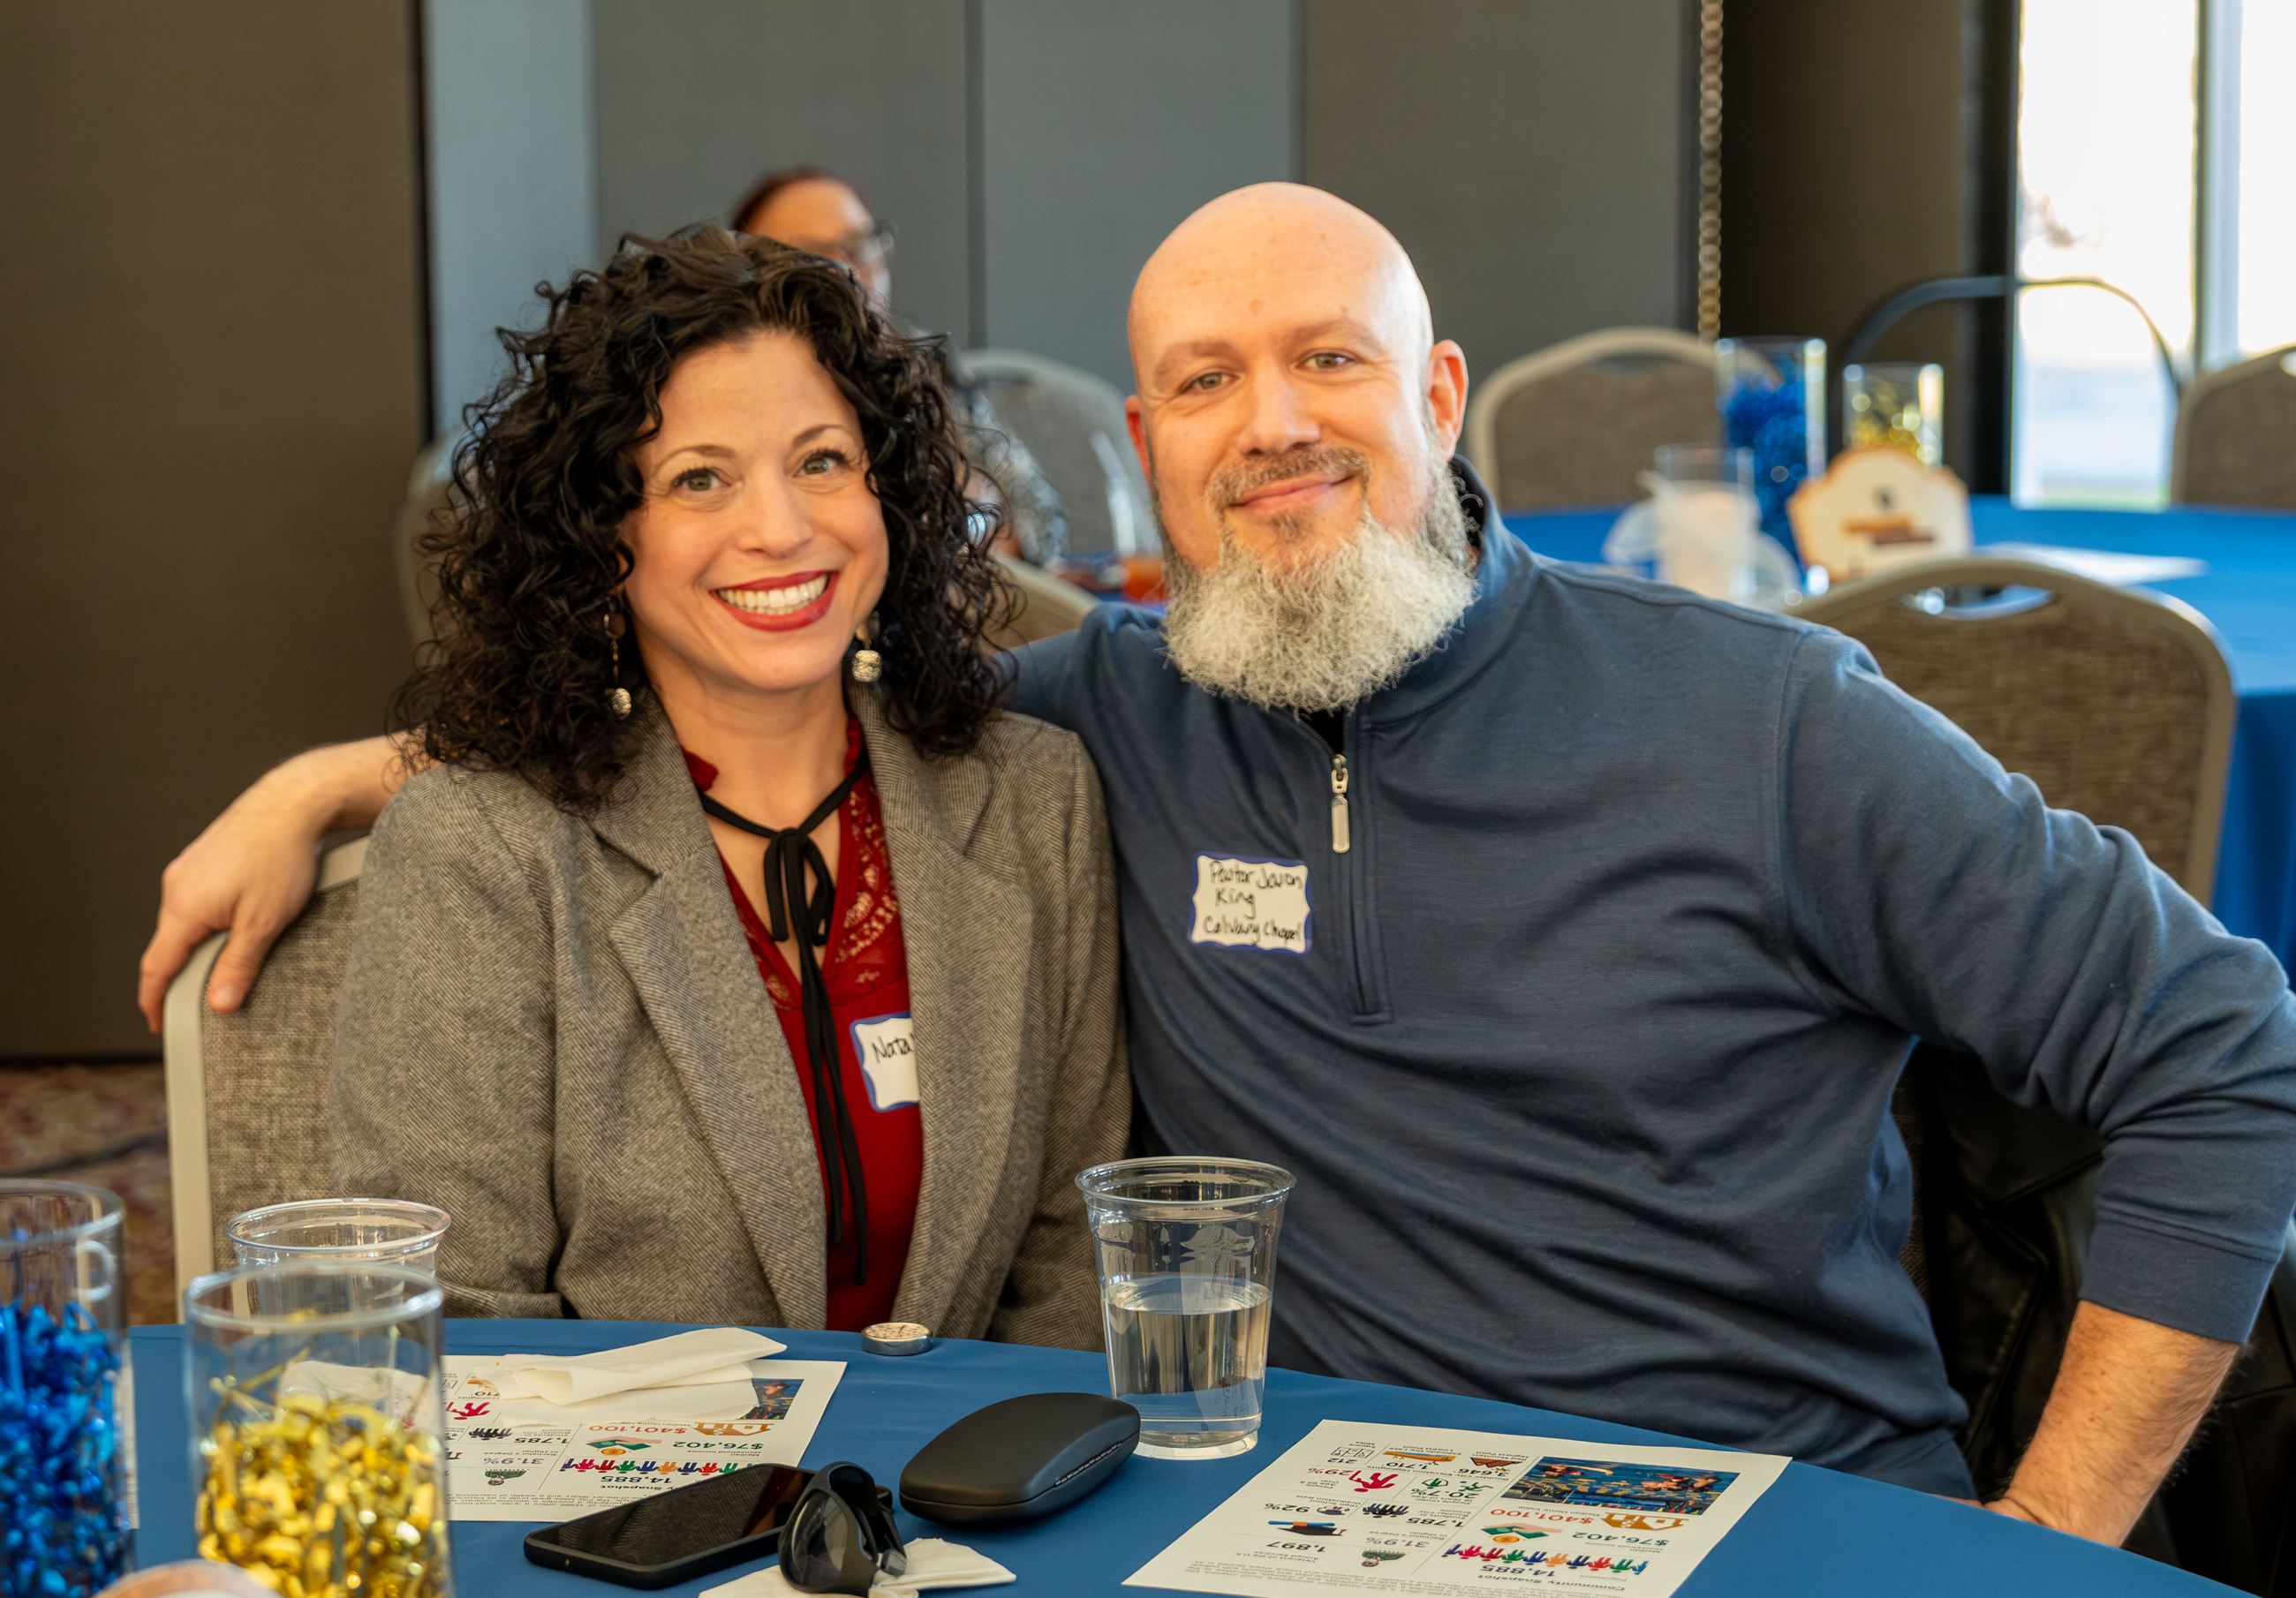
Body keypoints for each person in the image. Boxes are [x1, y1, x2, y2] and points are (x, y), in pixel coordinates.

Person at [140, 186, 2296, 1545]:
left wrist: (2055, 1538)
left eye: (1328, 359)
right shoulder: (1096, 733)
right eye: (1203, 381)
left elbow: (2224, 1044)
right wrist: (363, 771)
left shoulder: (1771, 723)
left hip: (1774, 1515)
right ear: (1145, 463)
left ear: (1439, 393)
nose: (1271, 420)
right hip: (1308, 1521)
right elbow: (745, 672)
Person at [319, 225, 1125, 1338]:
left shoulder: (1037, 800)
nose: (779, 529)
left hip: (975, 1499)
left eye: (820, 461)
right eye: (699, 479)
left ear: (888, 491)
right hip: (627, 1508)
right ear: (603, 537)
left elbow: (1073, 1260)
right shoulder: (484, 851)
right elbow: (450, 1323)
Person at [731, 165, 1070, 565]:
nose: (851, 272)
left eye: (861, 246)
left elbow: (1042, 518)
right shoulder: (735, 381)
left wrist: (965, 531)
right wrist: (966, 520)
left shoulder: (923, 360)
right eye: (816, 256)